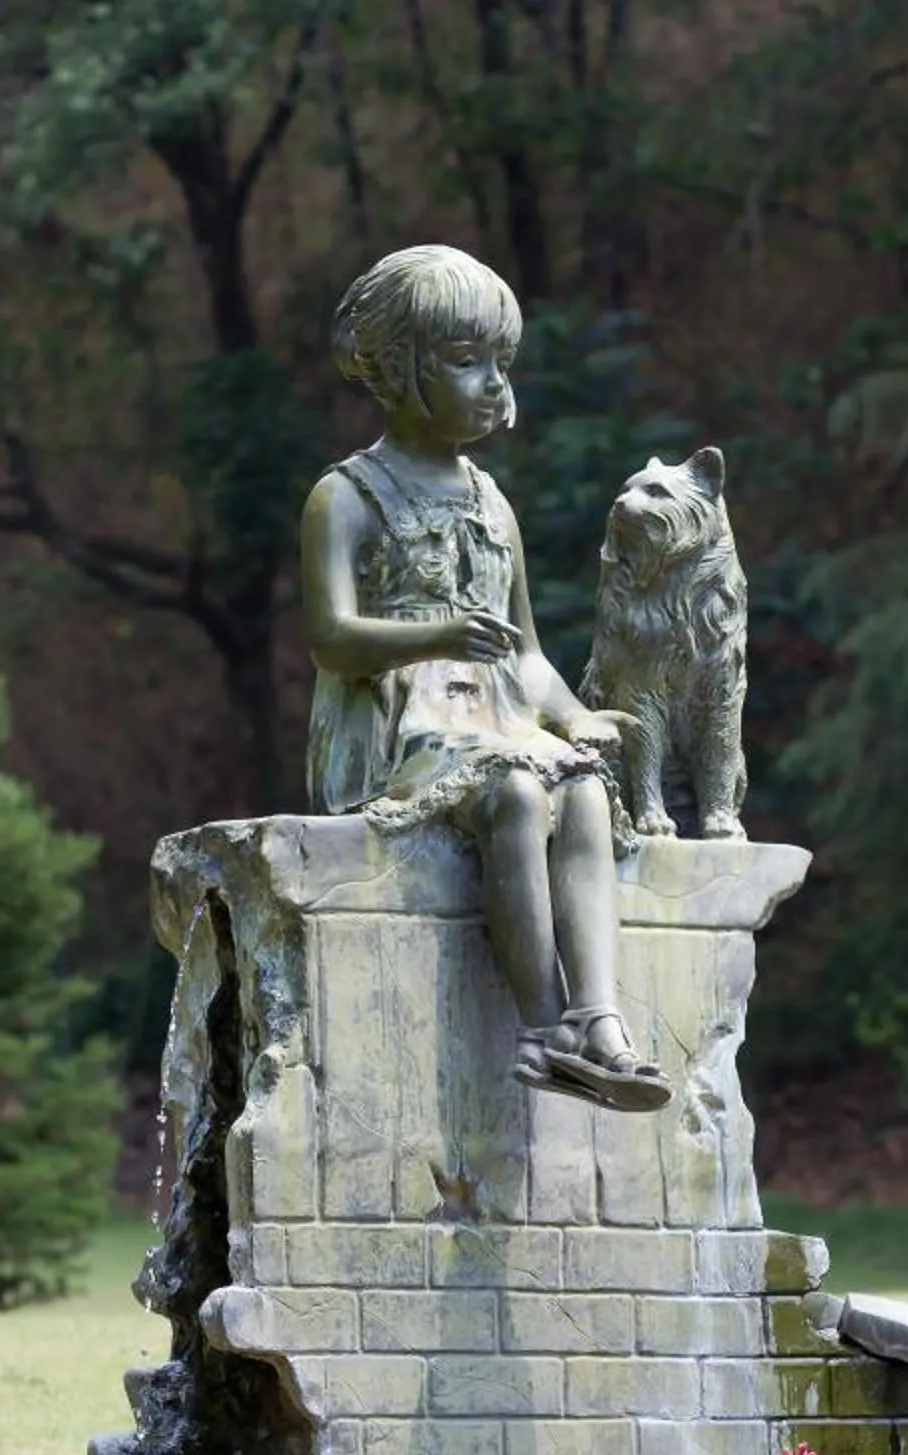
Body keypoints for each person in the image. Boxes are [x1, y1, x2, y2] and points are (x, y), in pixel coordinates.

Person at [297, 245, 670, 1114]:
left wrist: (574, 718)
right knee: (517, 794)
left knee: (583, 789)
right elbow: (332, 640)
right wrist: (438, 635)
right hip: (392, 730)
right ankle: (541, 1030)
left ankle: (598, 1022)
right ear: (399, 369)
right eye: (467, 362)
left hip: (497, 720)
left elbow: (525, 654)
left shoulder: (491, 502)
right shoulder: (345, 497)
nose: (494, 385)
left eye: (502, 363)